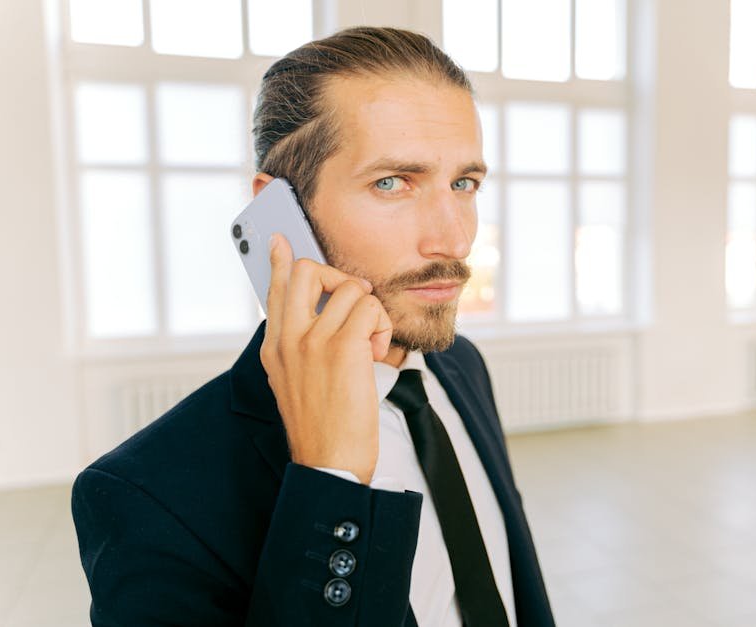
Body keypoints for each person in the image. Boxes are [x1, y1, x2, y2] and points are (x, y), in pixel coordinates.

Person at [72, 26, 555, 626]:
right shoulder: (147, 495)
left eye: (463, 184)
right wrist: (330, 478)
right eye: (391, 183)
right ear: (279, 211)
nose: (455, 239)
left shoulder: (461, 365)